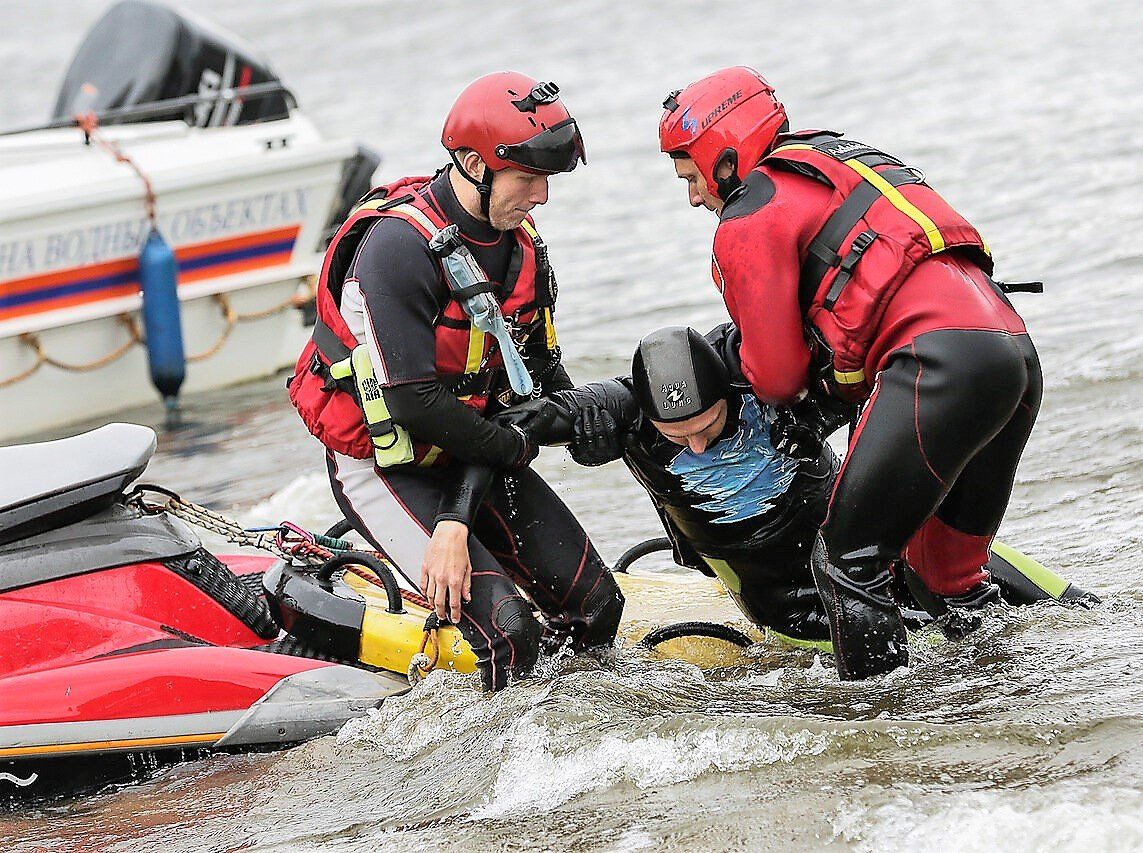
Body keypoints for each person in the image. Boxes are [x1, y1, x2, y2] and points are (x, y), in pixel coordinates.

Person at [656, 67, 1045, 680]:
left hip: (939, 364)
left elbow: (778, 377)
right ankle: (1008, 692)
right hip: (1014, 359)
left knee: (846, 562)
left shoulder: (749, 214)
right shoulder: (836, 159)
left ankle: (881, 734)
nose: (693, 196)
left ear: (723, 155)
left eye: (690, 175)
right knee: (948, 576)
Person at [286, 72, 623, 691]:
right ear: (473, 163)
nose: (542, 196)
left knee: (599, 608)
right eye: (529, 178)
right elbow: (414, 402)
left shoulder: (523, 250)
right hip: (389, 467)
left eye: (548, 179)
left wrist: (591, 420)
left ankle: (579, 732)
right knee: (510, 634)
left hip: (474, 453)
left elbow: (535, 386)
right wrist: (457, 519)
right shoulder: (395, 248)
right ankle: (498, 769)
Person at [502, 325, 1090, 652]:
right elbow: (519, 426)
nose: (698, 446)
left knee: (1072, 614)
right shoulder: (619, 411)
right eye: (676, 437)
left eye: (707, 426)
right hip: (782, 598)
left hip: (869, 547)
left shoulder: (764, 368)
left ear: (730, 392)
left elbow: (887, 362)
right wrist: (451, 518)